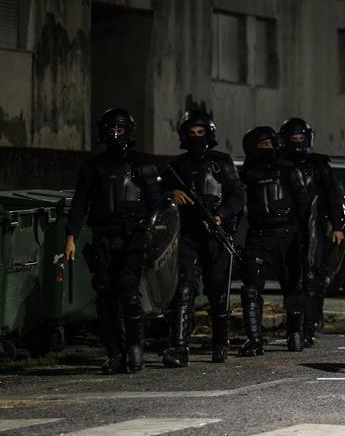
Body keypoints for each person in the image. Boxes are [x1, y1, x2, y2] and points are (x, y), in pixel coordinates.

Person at [65, 108, 160, 374]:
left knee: (129, 292)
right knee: (105, 296)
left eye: (119, 129)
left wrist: (148, 231)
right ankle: (115, 353)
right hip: (103, 236)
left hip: (133, 236)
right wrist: (71, 236)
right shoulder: (93, 167)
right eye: (111, 129)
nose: (115, 134)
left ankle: (135, 348)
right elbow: (80, 204)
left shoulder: (142, 164)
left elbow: (156, 203)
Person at [161, 110, 245, 367]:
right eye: (192, 132)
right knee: (184, 288)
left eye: (201, 132)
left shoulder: (222, 163)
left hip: (216, 235)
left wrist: (220, 216)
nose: (196, 137)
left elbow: (238, 196)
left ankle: (220, 343)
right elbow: (158, 195)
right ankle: (179, 346)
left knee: (218, 291)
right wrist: (171, 194)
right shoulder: (176, 167)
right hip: (187, 233)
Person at [236, 126, 309, 354]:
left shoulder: (288, 171)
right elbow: (238, 206)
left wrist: (305, 236)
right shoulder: (246, 175)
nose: (270, 148)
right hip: (258, 236)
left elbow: (303, 205)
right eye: (264, 145)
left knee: (293, 286)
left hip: (286, 235)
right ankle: (255, 339)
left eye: (272, 143)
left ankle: (295, 334)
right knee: (250, 289)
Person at [279, 117, 345, 347]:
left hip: (314, 228)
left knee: (312, 279)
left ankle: (308, 327)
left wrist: (338, 226)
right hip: (286, 228)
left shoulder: (319, 166)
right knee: (291, 280)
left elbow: (333, 194)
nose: (298, 141)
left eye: (301, 137)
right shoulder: (279, 165)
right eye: (293, 137)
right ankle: (294, 329)